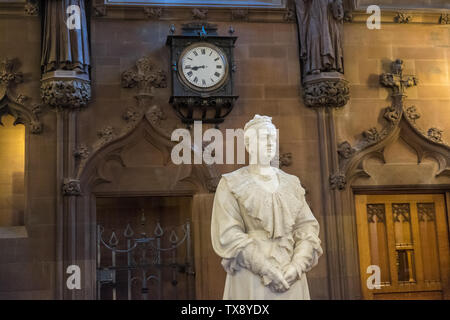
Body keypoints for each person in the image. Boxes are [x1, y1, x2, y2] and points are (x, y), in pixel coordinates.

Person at [211, 115, 323, 299]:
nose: (271, 143)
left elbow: (307, 228)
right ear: (249, 145)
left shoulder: (292, 183)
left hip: (290, 275)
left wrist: (297, 265)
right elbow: (229, 234)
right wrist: (266, 269)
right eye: (264, 137)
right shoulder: (231, 183)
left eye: (273, 137)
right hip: (252, 275)